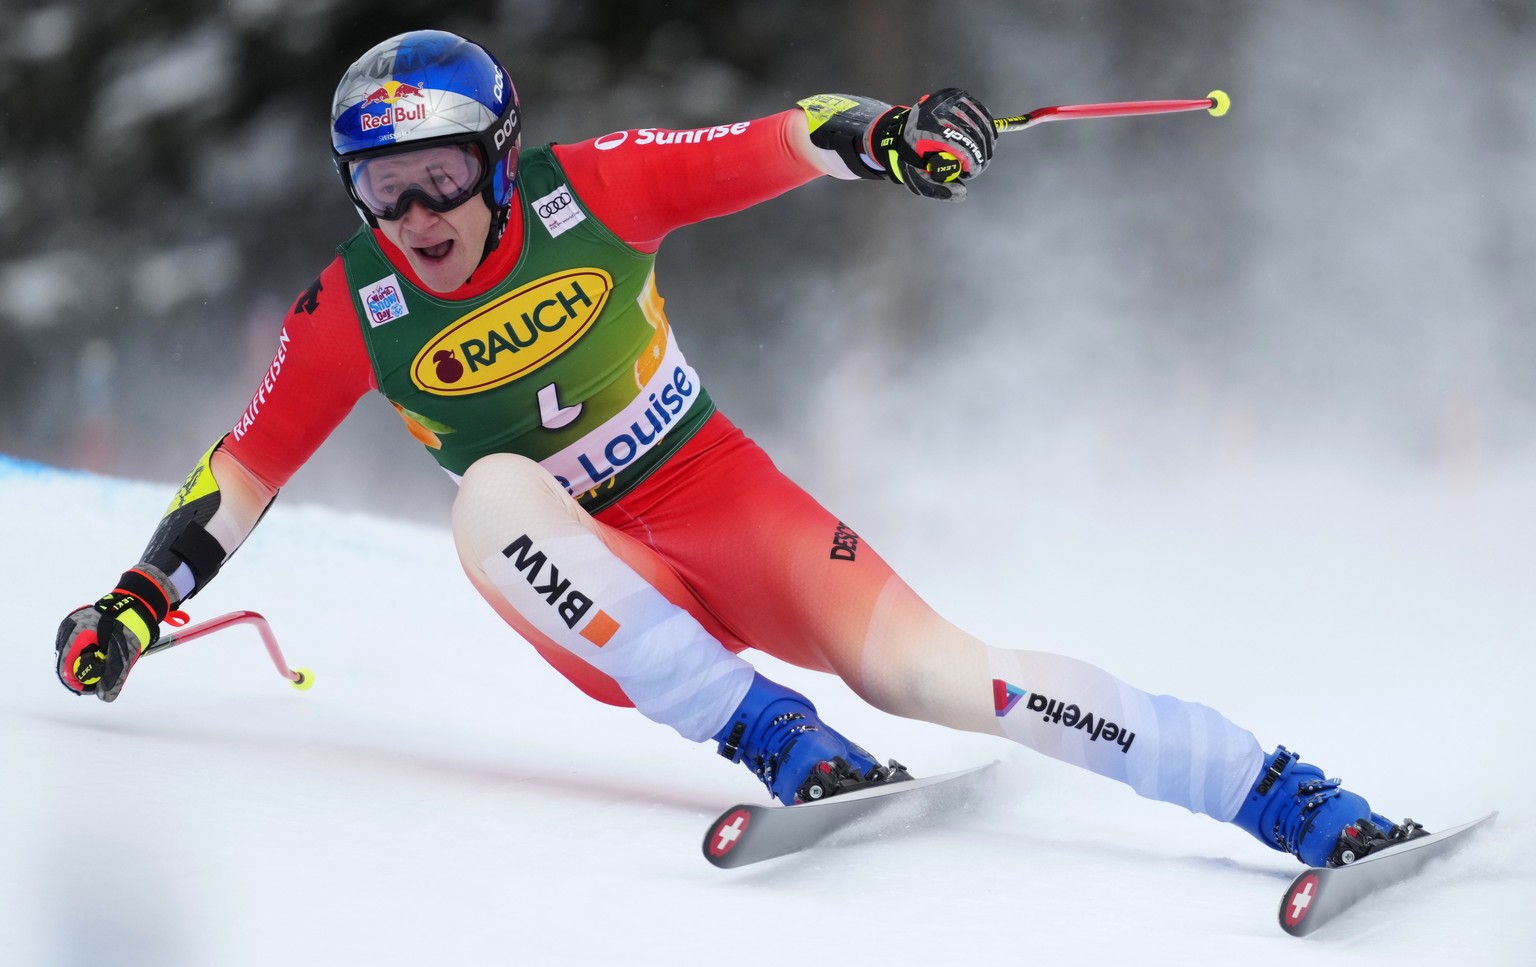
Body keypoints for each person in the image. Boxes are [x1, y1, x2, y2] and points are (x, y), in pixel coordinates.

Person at [56, 29, 1419, 869]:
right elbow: (242, 469)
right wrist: (137, 601)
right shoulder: (357, 302)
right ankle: (780, 743)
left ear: (503, 161)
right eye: (378, 186)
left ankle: (1290, 801)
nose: (413, 214)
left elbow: (781, 139)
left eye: (440, 177)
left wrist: (890, 139)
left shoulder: (596, 187)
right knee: (492, 492)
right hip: (588, 578)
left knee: (946, 674)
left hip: (721, 497)